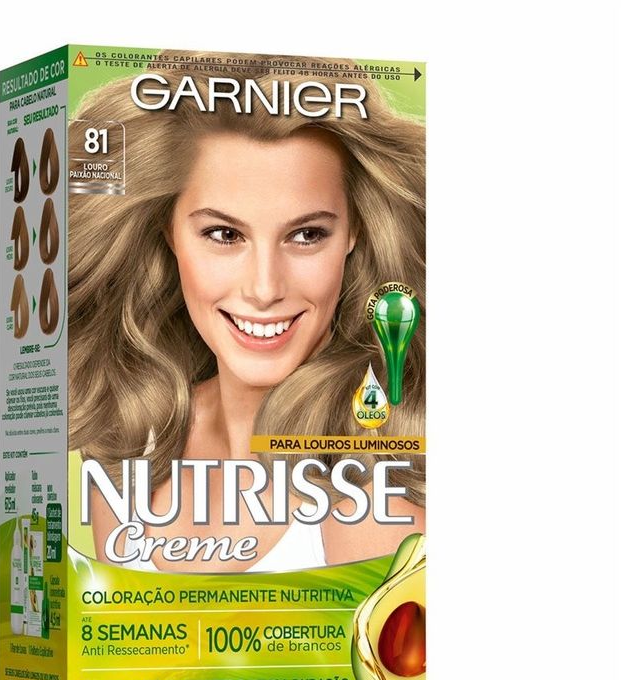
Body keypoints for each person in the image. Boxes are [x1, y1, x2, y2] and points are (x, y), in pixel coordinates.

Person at [68, 53, 426, 573]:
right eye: (224, 234)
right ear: (168, 231)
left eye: (307, 234)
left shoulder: (370, 495)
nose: (264, 289)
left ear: (355, 232)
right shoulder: (134, 448)